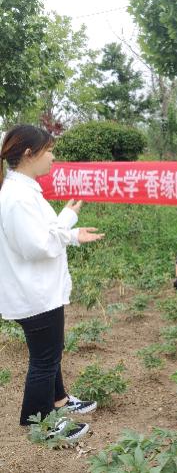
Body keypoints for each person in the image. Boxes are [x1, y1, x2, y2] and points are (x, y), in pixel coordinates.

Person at [0, 125, 104, 441]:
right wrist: (67, 227)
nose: (53, 156)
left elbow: (42, 235)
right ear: (29, 154)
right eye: (48, 150)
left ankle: (58, 400)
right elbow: (36, 247)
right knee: (44, 359)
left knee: (52, 351)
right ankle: (40, 424)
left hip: (40, 290)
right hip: (35, 294)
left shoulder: (24, 191)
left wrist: (70, 228)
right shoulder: (17, 197)